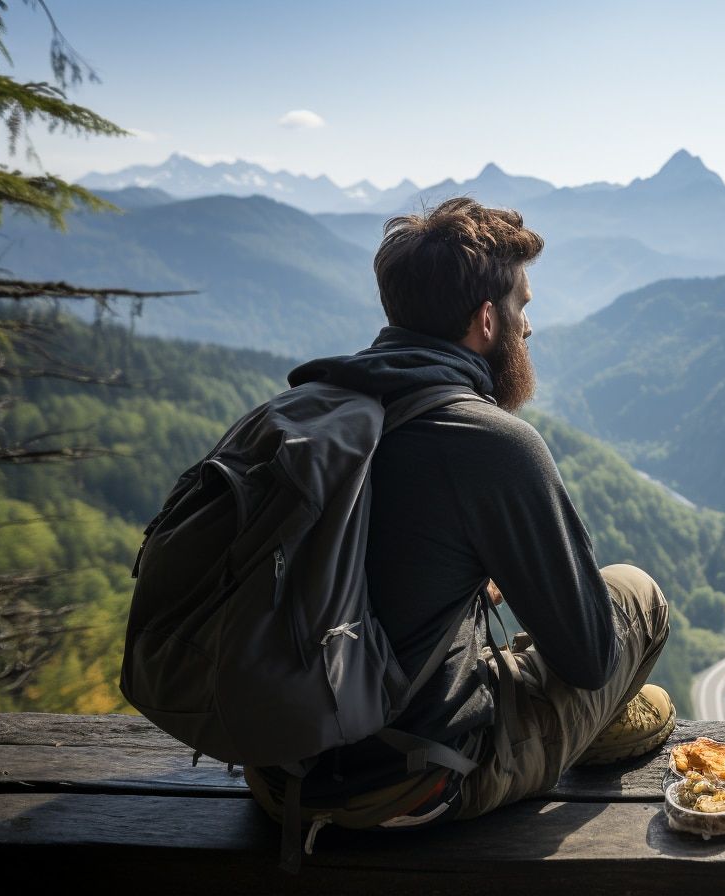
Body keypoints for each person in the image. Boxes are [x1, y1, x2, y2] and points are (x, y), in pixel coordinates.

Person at [245, 197, 673, 827]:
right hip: (398, 787)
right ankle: (595, 733)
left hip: (278, 771)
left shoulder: (319, 412)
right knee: (637, 594)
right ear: (486, 322)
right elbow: (589, 659)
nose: (528, 326)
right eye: (521, 306)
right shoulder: (491, 443)